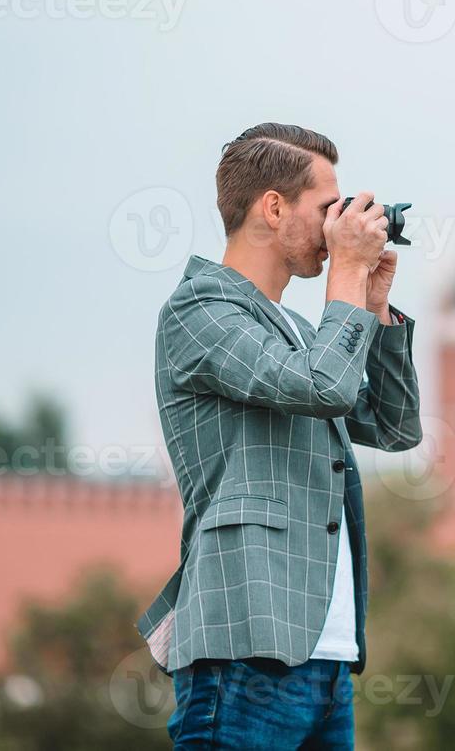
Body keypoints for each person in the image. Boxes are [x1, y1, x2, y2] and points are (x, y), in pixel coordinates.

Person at [137, 122, 422, 750]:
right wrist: (345, 274)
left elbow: (395, 427)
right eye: (327, 209)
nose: (336, 227)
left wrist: (371, 308)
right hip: (246, 647)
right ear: (273, 207)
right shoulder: (199, 311)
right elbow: (324, 388)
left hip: (327, 658)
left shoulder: (298, 330)